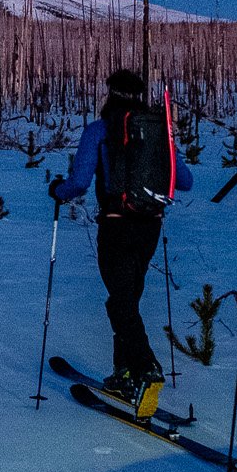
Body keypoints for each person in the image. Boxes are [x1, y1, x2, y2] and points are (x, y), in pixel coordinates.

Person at [50, 69, 194, 414]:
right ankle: (124, 371)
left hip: (116, 225)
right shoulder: (156, 131)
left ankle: (146, 367)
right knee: (128, 299)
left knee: (120, 302)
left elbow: (80, 181)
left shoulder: (99, 131)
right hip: (150, 227)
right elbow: (185, 181)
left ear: (109, 94)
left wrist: (58, 190)